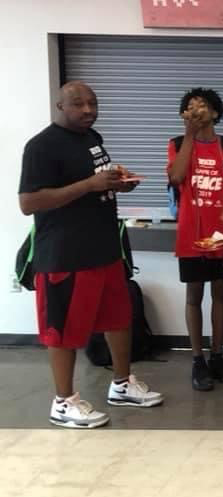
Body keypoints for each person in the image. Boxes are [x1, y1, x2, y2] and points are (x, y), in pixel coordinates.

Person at [19, 81, 163, 428]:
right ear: (60, 106)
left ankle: (122, 384)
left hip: (103, 249)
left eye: (92, 104)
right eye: (79, 104)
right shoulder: (41, 146)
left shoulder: (91, 138)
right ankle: (64, 402)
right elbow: (29, 203)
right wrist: (89, 185)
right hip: (66, 255)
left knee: (118, 318)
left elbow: (94, 182)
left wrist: (117, 182)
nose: (87, 110)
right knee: (63, 329)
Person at [167, 87, 223, 391]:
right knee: (193, 296)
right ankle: (197, 360)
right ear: (184, 115)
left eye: (202, 106)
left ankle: (217, 356)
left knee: (220, 294)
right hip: (191, 236)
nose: (197, 110)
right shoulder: (177, 143)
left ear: (215, 113)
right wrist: (189, 134)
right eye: (190, 107)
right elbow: (176, 178)